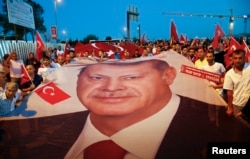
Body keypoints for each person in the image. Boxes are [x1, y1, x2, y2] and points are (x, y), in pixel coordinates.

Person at [0, 58, 249, 159]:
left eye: (131, 77)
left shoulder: (216, 134)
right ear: (78, 83)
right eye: (96, 77)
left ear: (168, 76)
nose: (111, 88)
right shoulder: (49, 130)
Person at [223, 49, 250, 116]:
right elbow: (229, 93)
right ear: (232, 59)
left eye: (240, 58)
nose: (238, 60)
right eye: (235, 58)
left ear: (244, 58)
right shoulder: (229, 74)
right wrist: (230, 108)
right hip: (238, 104)